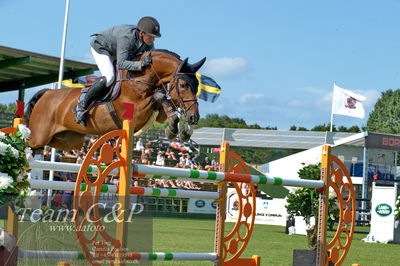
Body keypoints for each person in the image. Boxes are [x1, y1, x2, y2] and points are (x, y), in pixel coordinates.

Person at [74, 16, 161, 126]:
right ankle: (81, 106)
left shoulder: (148, 44)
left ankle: (128, 117)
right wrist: (142, 64)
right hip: (102, 47)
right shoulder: (127, 37)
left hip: (118, 52)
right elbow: (121, 64)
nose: (154, 39)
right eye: (152, 36)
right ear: (142, 33)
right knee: (110, 78)